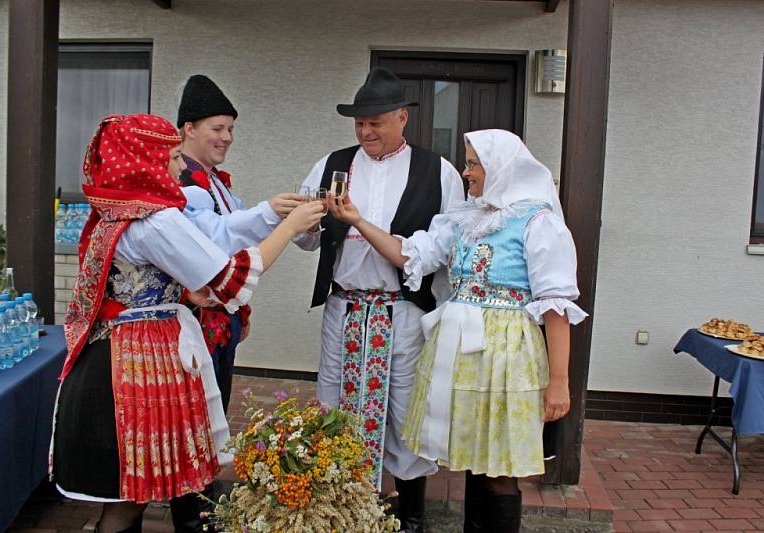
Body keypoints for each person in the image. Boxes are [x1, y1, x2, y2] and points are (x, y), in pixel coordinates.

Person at [51, 114, 324, 533]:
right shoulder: (154, 221)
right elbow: (227, 280)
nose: (182, 167)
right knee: (128, 500)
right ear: (147, 161)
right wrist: (289, 227)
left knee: (131, 497)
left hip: (111, 354)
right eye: (174, 157)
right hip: (135, 366)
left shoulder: (115, 210)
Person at [327, 129, 587, 532]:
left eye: (472, 164)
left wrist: (559, 381)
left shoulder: (538, 223)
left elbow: (556, 307)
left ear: (500, 168)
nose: (466, 173)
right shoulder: (466, 220)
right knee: (472, 459)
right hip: (463, 355)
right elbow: (410, 254)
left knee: (499, 468)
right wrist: (358, 220)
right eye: (466, 164)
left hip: (507, 354)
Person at [294, 66, 465, 532]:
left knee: (406, 410)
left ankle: (410, 515)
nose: (366, 131)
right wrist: (307, 224)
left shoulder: (438, 171)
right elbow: (307, 242)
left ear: (401, 118)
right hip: (344, 306)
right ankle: (343, 507)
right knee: (336, 403)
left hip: (402, 310)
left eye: (376, 122)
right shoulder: (332, 164)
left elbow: (444, 249)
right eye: (359, 123)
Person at [175, 74, 304, 413]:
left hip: (221, 313)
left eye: (230, 129)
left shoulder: (216, 182)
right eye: (218, 128)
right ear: (189, 128)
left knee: (216, 404)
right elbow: (217, 236)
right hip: (196, 320)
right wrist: (276, 215)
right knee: (199, 410)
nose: (227, 138)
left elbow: (240, 230)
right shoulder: (183, 183)